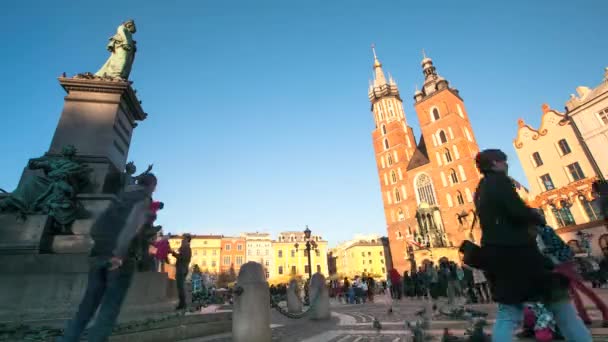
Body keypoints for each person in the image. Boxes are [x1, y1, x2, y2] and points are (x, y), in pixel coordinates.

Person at [471, 149, 590, 341]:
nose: (506, 165)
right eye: (504, 161)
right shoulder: (500, 182)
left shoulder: (480, 189)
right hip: (521, 254)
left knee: (508, 313)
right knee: (561, 306)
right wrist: (535, 216)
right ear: (494, 163)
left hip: (497, 257)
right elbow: (517, 211)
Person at [59, 173, 156, 342]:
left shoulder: (119, 197)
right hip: (119, 259)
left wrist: (99, 248)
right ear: (152, 185)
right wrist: (118, 254)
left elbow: (96, 227)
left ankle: (68, 338)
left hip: (98, 255)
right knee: (109, 307)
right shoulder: (143, 199)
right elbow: (131, 226)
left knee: (87, 306)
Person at [533, 210, 608, 326]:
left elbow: (550, 249)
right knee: (573, 292)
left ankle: (604, 312)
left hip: (561, 263)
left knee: (581, 289)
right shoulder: (543, 231)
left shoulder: (544, 231)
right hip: (559, 264)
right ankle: (584, 317)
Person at [171, 234, 192, 310]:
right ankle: (182, 303)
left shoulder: (186, 248)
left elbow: (183, 258)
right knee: (180, 286)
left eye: (183, 239)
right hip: (182, 268)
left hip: (182, 269)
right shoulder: (185, 248)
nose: (182, 240)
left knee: (180, 287)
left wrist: (173, 253)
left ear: (187, 240)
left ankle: (182, 304)